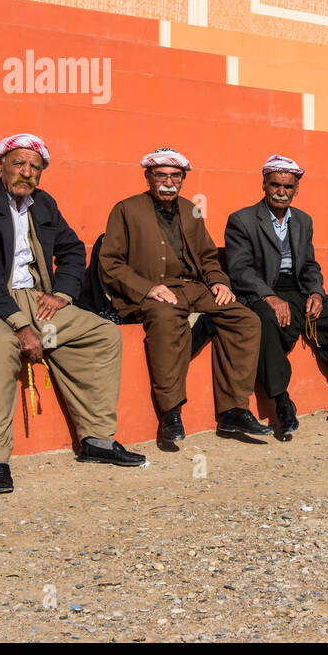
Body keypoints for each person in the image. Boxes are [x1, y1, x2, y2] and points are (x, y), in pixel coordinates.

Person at [0, 134, 145, 493]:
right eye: (18, 164)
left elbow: (73, 250)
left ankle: (96, 440)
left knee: (103, 334)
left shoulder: (44, 204)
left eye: (34, 167)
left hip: (34, 297)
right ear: (1, 166)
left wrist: (62, 294)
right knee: (2, 343)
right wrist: (22, 327)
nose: (26, 172)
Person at [99, 149, 265, 443]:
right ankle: (170, 412)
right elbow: (110, 263)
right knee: (165, 320)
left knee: (245, 319)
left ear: (183, 180)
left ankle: (234, 409)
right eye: (161, 175)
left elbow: (208, 257)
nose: (168, 182)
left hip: (193, 288)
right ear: (148, 177)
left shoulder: (192, 210)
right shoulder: (126, 209)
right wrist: (147, 288)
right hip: (152, 291)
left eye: (175, 176)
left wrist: (219, 282)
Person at [224, 155, 328, 436]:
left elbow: (308, 265)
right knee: (265, 324)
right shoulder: (242, 220)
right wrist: (269, 297)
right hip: (261, 293)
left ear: (296, 189)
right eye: (275, 185)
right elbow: (241, 270)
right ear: (264, 184)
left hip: (298, 291)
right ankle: (282, 402)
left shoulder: (303, 221)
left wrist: (317, 293)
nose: (281, 192)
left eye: (288, 186)